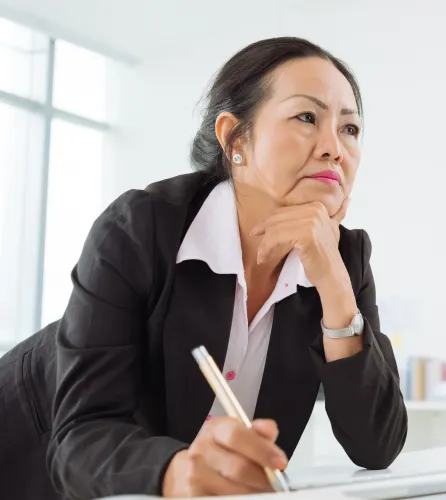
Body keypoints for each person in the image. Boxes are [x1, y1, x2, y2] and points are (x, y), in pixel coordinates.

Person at [28, 36, 406, 498]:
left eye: (350, 129)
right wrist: (178, 471)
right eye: (307, 117)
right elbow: (80, 437)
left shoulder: (344, 259)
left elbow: (377, 445)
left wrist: (333, 283)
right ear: (235, 138)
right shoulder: (139, 228)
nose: (335, 148)